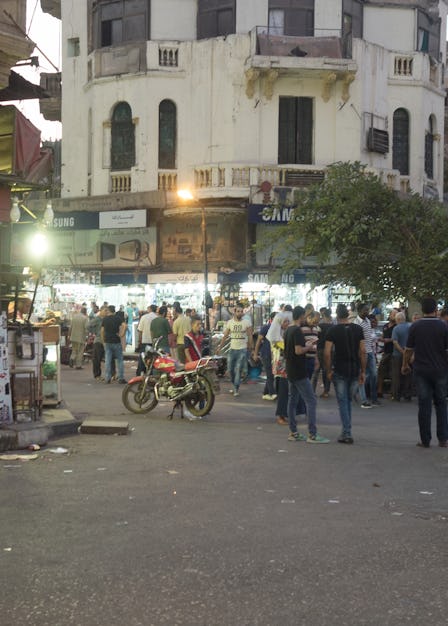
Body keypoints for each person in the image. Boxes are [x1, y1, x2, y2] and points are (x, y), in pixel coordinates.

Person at [402, 297, 448, 448]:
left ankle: (425, 440)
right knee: (441, 404)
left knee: (424, 405)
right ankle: (443, 439)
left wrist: (405, 365)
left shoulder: (415, 326)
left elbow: (408, 350)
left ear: (422, 310)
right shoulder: (443, 327)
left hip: (421, 370)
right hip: (440, 370)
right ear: (436, 309)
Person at [283, 306, 329, 444]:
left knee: (292, 400)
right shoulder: (296, 330)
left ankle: (293, 432)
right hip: (298, 370)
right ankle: (312, 434)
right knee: (311, 400)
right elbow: (298, 350)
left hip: (291, 369)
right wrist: (309, 347)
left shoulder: (288, 330)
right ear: (302, 316)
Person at [324, 304, 366, 444]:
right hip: (354, 369)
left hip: (340, 369)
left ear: (337, 315)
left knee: (343, 401)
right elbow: (363, 352)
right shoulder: (358, 329)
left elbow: (327, 353)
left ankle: (347, 432)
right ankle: (346, 430)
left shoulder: (333, 330)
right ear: (348, 314)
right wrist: (363, 371)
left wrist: (329, 370)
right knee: (347, 400)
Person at [216, 302, 253, 397]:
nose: (240, 313)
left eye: (241, 311)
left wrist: (250, 346)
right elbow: (225, 336)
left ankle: (236, 388)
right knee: (230, 369)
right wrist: (219, 347)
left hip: (242, 349)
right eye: (238, 311)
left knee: (238, 369)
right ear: (234, 312)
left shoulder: (247, 323)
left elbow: (249, 335)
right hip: (232, 349)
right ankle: (234, 385)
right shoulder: (230, 323)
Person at [354, 302, 379, 408]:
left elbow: (369, 337)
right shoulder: (356, 323)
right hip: (361, 353)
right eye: (365, 310)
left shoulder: (368, 320)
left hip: (370, 352)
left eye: (368, 309)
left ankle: (372, 398)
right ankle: (364, 400)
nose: (367, 311)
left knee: (373, 375)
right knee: (362, 375)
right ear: (359, 311)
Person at [253, 312, 276, 401]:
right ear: (271, 319)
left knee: (272, 374)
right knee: (270, 374)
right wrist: (255, 353)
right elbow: (258, 341)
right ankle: (272, 393)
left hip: (274, 355)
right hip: (266, 354)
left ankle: (266, 392)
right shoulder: (266, 328)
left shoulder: (280, 329)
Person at [101, 305, 126, 384]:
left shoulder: (105, 319)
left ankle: (108, 378)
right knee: (120, 360)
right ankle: (121, 378)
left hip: (107, 341)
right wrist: (121, 334)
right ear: (114, 311)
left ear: (108, 310)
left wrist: (103, 340)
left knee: (108, 360)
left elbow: (102, 330)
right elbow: (125, 325)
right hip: (116, 340)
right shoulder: (118, 318)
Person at [311, 307, 332, 398]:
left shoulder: (319, 326)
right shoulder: (333, 326)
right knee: (326, 370)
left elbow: (315, 338)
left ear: (323, 315)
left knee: (316, 371)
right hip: (330, 350)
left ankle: (312, 391)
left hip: (319, 349)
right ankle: (326, 391)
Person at [391, 311, 412, 401]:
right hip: (410, 355)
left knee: (396, 375)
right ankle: (407, 394)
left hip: (398, 355)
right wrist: (408, 353)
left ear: (398, 319)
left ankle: (396, 395)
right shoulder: (411, 327)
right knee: (408, 374)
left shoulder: (396, 329)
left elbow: (395, 342)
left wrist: (403, 352)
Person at [377, 309, 397, 398]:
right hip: (385, 352)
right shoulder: (385, 326)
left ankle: (392, 393)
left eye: (396, 314)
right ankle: (379, 391)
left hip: (393, 352)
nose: (394, 316)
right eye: (393, 314)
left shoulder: (397, 327)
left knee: (393, 373)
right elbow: (382, 335)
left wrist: (385, 340)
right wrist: (381, 339)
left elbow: (395, 339)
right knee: (381, 371)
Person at [136, 304, 157, 375]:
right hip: (154, 342)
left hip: (144, 340)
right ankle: (150, 373)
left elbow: (140, 330)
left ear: (150, 309)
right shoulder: (156, 317)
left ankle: (139, 372)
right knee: (152, 358)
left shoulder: (144, 317)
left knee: (142, 357)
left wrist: (139, 340)